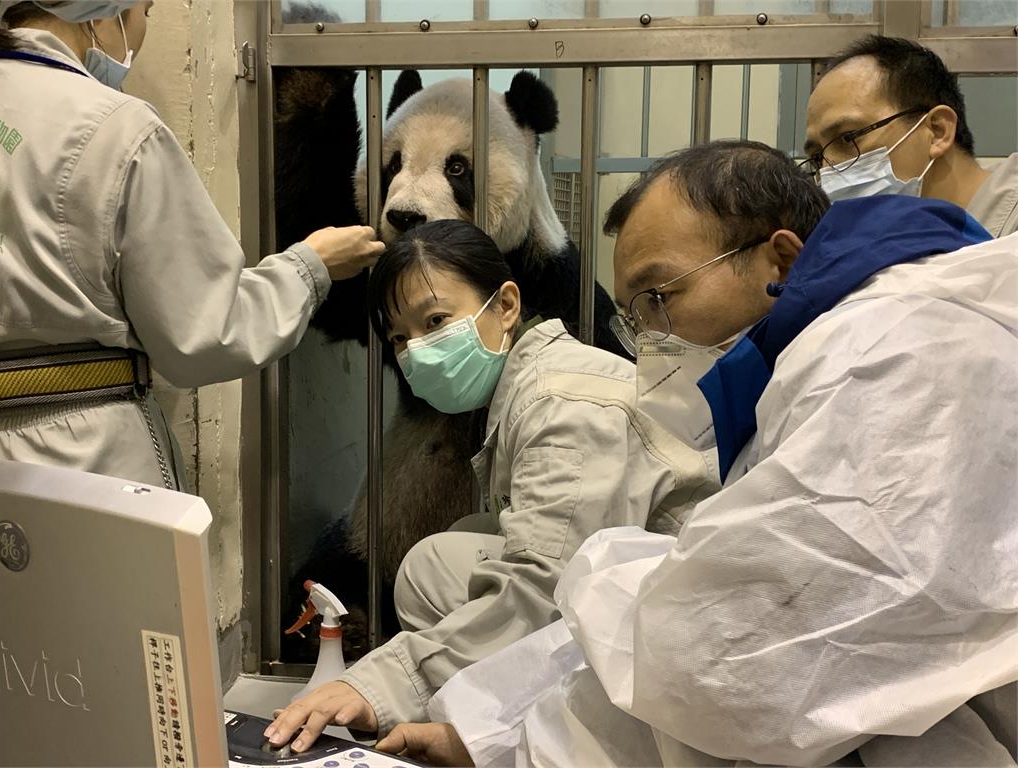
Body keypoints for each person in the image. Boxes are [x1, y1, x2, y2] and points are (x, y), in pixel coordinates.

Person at [378, 141, 1017, 767]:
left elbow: (728, 655)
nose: (651, 336)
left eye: (661, 295)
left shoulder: (882, 354)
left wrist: (498, 736)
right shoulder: (822, 348)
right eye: (635, 311)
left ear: (781, 262)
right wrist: (487, 730)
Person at [264, 219, 717, 752]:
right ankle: (480, 720)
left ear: (505, 305)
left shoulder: (564, 407)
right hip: (636, 590)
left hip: (687, 638)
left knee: (467, 571)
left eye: (435, 320)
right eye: (401, 338)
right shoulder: (532, 381)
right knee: (442, 558)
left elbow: (542, 587)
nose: (417, 351)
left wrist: (376, 683)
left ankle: (511, 738)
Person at [0, 0, 384, 488]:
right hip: (84, 460)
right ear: (98, 12)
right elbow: (202, 333)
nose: (139, 36)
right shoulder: (116, 129)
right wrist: (311, 267)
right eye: (145, 13)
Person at [805, 34, 1017, 237]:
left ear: (938, 131)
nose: (827, 175)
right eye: (816, 159)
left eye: (848, 138)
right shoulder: (890, 242)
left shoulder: (1008, 237)